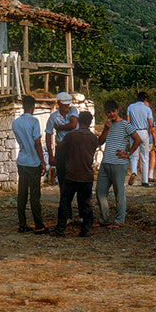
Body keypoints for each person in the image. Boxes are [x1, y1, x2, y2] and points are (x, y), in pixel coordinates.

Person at [51, 110, 99, 238]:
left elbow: (60, 147)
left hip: (71, 174)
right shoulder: (94, 138)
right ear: (90, 122)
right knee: (87, 204)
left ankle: (60, 229)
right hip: (86, 175)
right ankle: (86, 230)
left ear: (78, 121)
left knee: (65, 202)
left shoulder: (71, 136)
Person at [95, 99, 140, 228]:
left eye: (113, 111)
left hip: (118, 163)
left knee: (119, 193)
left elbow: (137, 139)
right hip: (105, 163)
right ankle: (104, 218)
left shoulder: (125, 124)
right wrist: (106, 129)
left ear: (118, 111)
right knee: (100, 191)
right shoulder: (107, 125)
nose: (111, 114)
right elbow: (100, 141)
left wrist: (128, 153)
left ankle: (119, 220)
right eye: (108, 112)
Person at [12, 95, 48, 234]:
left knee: (22, 194)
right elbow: (37, 143)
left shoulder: (15, 123)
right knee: (34, 195)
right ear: (33, 107)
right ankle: (39, 224)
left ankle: (22, 223)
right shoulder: (34, 121)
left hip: (22, 160)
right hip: (33, 161)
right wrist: (43, 161)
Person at [45, 91, 79, 219]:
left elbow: (73, 124)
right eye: (64, 104)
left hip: (74, 150)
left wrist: (59, 128)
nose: (66, 106)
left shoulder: (73, 110)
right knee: (63, 182)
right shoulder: (53, 117)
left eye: (68, 104)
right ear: (58, 103)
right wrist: (50, 155)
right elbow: (48, 135)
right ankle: (66, 212)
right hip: (62, 150)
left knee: (77, 180)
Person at [126, 91, 154, 186]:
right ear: (145, 99)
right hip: (144, 131)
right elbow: (150, 124)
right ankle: (145, 180)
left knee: (134, 155)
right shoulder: (147, 109)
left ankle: (134, 171)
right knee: (145, 157)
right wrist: (148, 134)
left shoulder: (130, 107)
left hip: (134, 131)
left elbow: (128, 122)